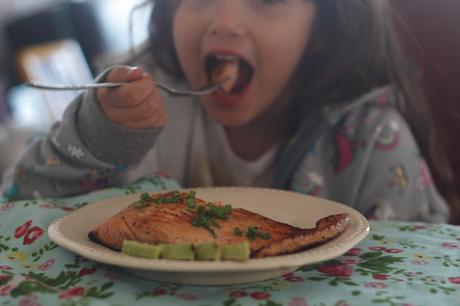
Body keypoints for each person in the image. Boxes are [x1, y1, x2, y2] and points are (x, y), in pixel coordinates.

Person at [2, 0, 454, 223]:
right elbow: (20, 220)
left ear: (321, 27)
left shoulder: (369, 139)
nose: (224, 21)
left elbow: (415, 274)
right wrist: (96, 140)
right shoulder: (123, 112)